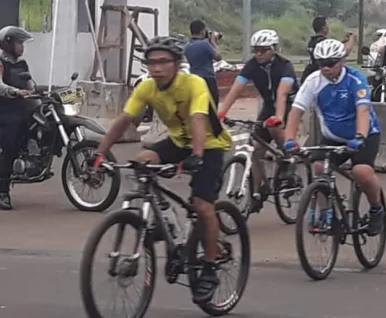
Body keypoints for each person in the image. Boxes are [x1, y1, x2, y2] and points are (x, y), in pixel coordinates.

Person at [93, 36, 231, 303]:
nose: (156, 68)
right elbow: (124, 120)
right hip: (178, 141)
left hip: (210, 145)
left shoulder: (194, 84)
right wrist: (99, 152)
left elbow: (199, 119)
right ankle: (158, 218)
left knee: (203, 206)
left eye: (163, 62)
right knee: (141, 161)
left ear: (177, 64)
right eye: (151, 62)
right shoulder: (147, 87)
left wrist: (198, 156)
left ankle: (211, 265)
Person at [283, 39, 385, 235]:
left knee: (362, 172)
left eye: (331, 63)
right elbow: (296, 111)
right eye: (322, 64)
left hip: (364, 133)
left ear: (342, 61)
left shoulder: (356, 79)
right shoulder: (313, 81)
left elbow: (363, 110)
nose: (326, 68)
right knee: (319, 167)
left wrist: (360, 136)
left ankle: (376, 209)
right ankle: (325, 213)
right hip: (333, 135)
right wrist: (289, 139)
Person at [218, 29, 298, 209]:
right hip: (269, 105)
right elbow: (236, 89)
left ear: (274, 49)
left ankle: (288, 157)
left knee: (275, 127)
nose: (258, 54)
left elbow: (282, 94)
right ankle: (259, 188)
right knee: (255, 148)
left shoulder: (284, 65)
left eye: (263, 50)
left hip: (290, 106)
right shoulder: (253, 65)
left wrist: (278, 117)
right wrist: (221, 112)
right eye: (255, 50)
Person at [0, 26, 34, 210]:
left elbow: (31, 85)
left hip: (20, 108)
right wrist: (15, 91)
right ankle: (2, 191)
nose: (22, 47)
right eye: (20, 43)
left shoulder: (22, 64)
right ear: (9, 43)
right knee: (10, 145)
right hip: (4, 111)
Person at [301, 16, 356, 82]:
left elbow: (330, 50)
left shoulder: (312, 41)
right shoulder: (322, 42)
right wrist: (352, 40)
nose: (328, 28)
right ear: (324, 28)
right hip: (320, 78)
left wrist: (342, 41)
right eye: (327, 25)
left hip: (309, 74)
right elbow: (344, 52)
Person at [185, 19, 222, 106]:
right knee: (212, 103)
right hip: (208, 78)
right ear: (202, 31)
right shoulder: (205, 45)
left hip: (193, 78)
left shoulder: (187, 46)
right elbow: (219, 57)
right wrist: (213, 42)